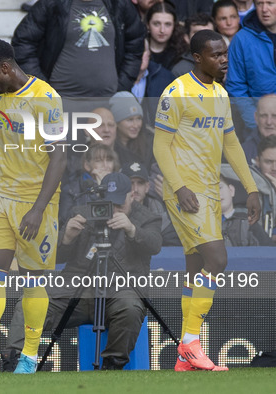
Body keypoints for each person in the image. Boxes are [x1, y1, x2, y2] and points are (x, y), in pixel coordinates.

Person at [0, 39, 66, 375]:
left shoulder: (46, 98)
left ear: (5, 67)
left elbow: (59, 157)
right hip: (0, 198)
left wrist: (38, 208)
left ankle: (29, 358)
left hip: (36, 203)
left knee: (34, 281)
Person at [153, 29, 261, 371]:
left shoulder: (220, 93)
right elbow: (159, 146)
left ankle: (185, 356)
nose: (223, 60)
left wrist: (251, 187)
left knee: (196, 267)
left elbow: (231, 144)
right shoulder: (176, 92)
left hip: (210, 188)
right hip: (185, 190)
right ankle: (190, 342)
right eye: (216, 55)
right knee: (218, 259)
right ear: (197, 57)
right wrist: (180, 187)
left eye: (225, 54)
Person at [2, 172, 162, 371]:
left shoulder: (147, 218)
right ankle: (14, 359)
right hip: (76, 286)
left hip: (121, 288)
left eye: (120, 205)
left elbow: (155, 245)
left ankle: (112, 365)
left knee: (131, 307)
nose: (113, 211)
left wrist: (132, 229)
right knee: (33, 299)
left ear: (132, 196)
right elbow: (52, 258)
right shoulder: (82, 212)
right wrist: (65, 237)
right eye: (110, 204)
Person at [11, 0, 146, 96]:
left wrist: (121, 86)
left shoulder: (119, 4)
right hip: (59, 102)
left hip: (108, 104)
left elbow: (135, 44)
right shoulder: (51, 3)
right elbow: (22, 42)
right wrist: (42, 87)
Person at [226, 1, 276, 132]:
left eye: (270, 3)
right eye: (259, 3)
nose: (264, 9)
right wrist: (256, 124)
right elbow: (236, 87)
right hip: (257, 127)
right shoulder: (241, 39)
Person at [123, 161, 181, 246]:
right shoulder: (115, 210)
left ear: (147, 187)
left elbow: (174, 244)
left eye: (140, 183)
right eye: (130, 183)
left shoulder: (160, 210)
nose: (135, 189)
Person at [60, 143, 120, 224]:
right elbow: (64, 219)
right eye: (99, 161)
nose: (106, 166)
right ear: (87, 165)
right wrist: (98, 191)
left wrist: (107, 190)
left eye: (109, 160)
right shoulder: (71, 189)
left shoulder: (121, 186)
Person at [219, 175, 275, 246]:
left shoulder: (248, 223)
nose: (217, 194)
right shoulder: (202, 226)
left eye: (219, 187)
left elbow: (269, 251)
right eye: (210, 191)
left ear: (231, 190)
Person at [109, 91, 154, 169]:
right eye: (130, 120)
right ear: (116, 122)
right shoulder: (108, 144)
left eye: (139, 119)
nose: (136, 125)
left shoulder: (150, 140)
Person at [146, 2, 189, 72]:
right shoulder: (137, 49)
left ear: (174, 26)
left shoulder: (182, 52)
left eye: (168, 24)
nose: (162, 30)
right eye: (156, 24)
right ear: (148, 25)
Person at [171, 13, 216, 78]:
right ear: (186, 38)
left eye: (209, 33)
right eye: (198, 33)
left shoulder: (224, 62)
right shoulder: (180, 71)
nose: (204, 38)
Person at [242, 94, 276, 163]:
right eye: (263, 116)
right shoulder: (244, 151)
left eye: (274, 116)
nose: (269, 122)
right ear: (256, 118)